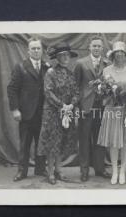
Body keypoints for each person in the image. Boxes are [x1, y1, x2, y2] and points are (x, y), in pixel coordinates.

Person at [7, 37, 49, 182]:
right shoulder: (20, 67)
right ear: (28, 50)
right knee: (25, 144)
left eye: (38, 48)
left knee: (41, 143)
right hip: (26, 114)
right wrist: (15, 110)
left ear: (42, 50)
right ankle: (22, 171)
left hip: (42, 113)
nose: (36, 51)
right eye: (33, 48)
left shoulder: (46, 67)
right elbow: (12, 89)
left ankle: (40, 169)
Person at [37, 42, 79, 185]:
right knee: (52, 143)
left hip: (66, 113)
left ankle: (59, 171)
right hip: (53, 113)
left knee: (61, 142)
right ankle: (50, 173)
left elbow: (76, 92)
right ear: (57, 58)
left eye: (67, 55)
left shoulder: (70, 73)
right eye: (62, 56)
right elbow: (48, 92)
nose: (66, 58)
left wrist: (72, 104)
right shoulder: (51, 73)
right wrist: (62, 105)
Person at [97, 41, 126, 185]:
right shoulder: (106, 70)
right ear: (113, 55)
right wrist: (110, 97)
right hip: (112, 111)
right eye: (117, 53)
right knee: (114, 142)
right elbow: (104, 92)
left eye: (122, 52)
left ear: (125, 55)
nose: (119, 55)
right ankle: (114, 170)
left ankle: (122, 171)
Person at [74, 35, 111, 182]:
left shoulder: (107, 64)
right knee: (84, 139)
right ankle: (84, 170)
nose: (96, 48)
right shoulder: (80, 63)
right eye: (94, 46)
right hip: (85, 107)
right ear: (89, 47)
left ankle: (100, 169)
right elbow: (75, 87)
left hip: (102, 107)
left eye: (99, 46)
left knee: (100, 139)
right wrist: (77, 107)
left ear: (102, 48)